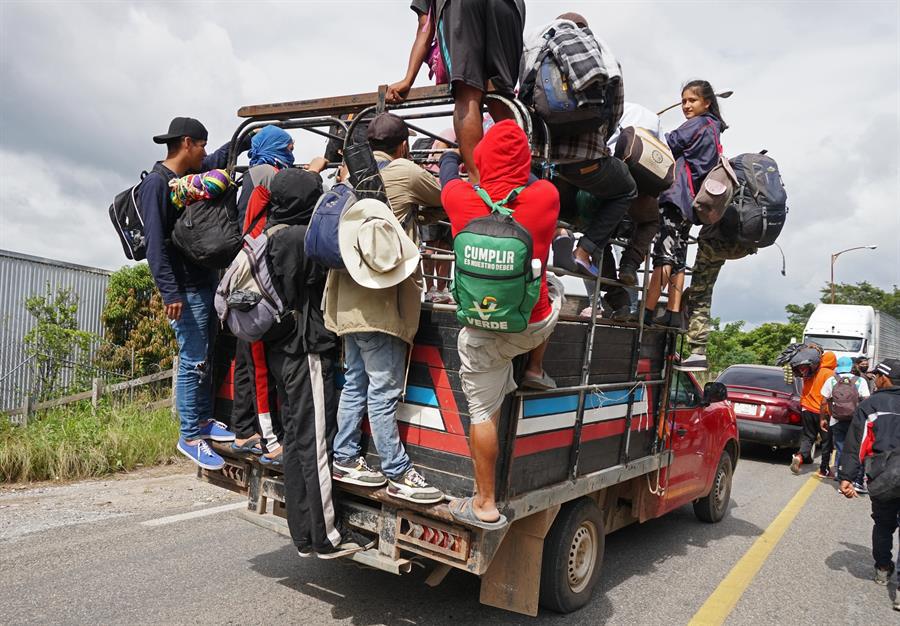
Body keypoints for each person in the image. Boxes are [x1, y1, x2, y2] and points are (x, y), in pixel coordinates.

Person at [439, 120, 560, 528]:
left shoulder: (459, 197)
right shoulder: (546, 196)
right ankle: (535, 368)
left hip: (483, 328)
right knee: (552, 278)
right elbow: (530, 180)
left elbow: (447, 168)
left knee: (482, 411)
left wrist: (458, 155)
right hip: (533, 325)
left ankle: (485, 503)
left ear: (482, 159)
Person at [326, 113, 444, 505]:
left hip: (346, 300)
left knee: (356, 381)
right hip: (380, 301)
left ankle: (344, 456)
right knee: (384, 388)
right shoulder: (405, 172)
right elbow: (444, 195)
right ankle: (396, 470)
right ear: (404, 144)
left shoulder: (347, 176)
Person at [263, 167, 374, 558]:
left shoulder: (270, 233)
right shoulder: (301, 240)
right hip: (307, 351)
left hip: (281, 351)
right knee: (316, 445)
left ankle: (303, 533)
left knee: (296, 441)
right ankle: (327, 537)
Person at [141, 117, 239, 469]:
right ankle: (190, 436)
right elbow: (155, 245)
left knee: (205, 356)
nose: (206, 153)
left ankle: (201, 420)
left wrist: (247, 133)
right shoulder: (156, 184)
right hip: (183, 288)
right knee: (193, 359)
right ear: (187, 143)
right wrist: (170, 293)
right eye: (202, 145)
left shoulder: (184, 180)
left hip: (202, 281)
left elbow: (219, 160)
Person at [533, 14, 635, 279]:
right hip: (585, 164)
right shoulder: (602, 57)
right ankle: (585, 250)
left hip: (541, 164)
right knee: (626, 189)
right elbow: (614, 114)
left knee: (537, 193)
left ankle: (558, 231)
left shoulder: (536, 53)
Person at [386, 0, 526, 184]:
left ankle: (480, 187)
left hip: (461, 7)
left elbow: (425, 24)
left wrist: (408, 79)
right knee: (501, 97)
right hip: (509, 7)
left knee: (467, 94)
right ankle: (517, 183)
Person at [231, 126, 299, 464]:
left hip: (247, 281)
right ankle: (271, 440)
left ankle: (244, 431)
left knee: (247, 359)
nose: (292, 151)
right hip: (259, 281)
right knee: (259, 366)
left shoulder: (251, 173)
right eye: (288, 146)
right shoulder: (266, 175)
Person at [643, 80, 727, 329]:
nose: (686, 106)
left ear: (707, 102)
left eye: (692, 100)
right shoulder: (714, 128)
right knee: (678, 256)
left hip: (676, 196)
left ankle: (646, 310)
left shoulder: (698, 124)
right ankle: (673, 311)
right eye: (683, 101)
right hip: (691, 202)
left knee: (664, 254)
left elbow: (670, 141)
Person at [838, 358, 900, 601]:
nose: (875, 380)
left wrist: (847, 477)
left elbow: (856, 444)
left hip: (883, 474)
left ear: (885, 379)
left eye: (877, 377)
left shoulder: (872, 404)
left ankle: (883, 568)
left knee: (883, 523)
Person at [677, 224, 756, 370]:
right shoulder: (754, 199)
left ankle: (698, 351)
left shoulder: (725, 198)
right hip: (742, 244)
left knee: (700, 294)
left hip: (714, 241)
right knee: (706, 288)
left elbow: (700, 209)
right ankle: (698, 352)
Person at [821, 356, 870, 491]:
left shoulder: (831, 380)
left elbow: (824, 401)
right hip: (856, 421)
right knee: (857, 449)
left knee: (842, 449)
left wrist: (824, 418)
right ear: (851, 366)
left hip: (836, 420)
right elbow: (866, 400)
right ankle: (857, 481)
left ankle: (841, 477)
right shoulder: (860, 381)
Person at [790, 350, 837, 475]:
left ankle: (799, 457)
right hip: (823, 412)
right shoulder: (831, 374)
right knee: (827, 441)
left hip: (806, 409)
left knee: (808, 437)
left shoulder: (810, 371)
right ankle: (824, 469)